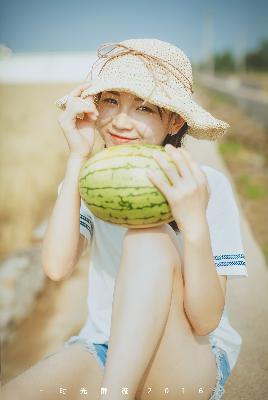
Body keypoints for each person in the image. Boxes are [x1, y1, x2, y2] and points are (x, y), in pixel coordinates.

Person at [2, 38, 248, 400]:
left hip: (185, 356)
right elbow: (56, 268)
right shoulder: (89, 181)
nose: (120, 121)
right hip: (104, 346)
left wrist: (194, 225)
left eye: (144, 108)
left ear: (175, 119)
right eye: (111, 101)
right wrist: (77, 158)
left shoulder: (206, 186)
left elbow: (206, 320)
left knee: (147, 238)